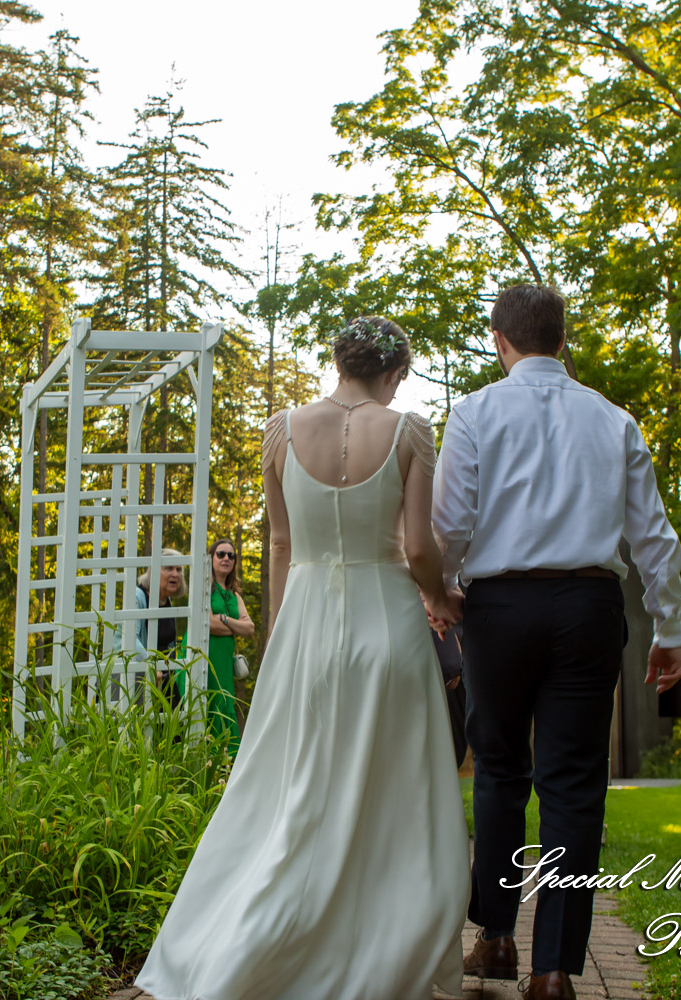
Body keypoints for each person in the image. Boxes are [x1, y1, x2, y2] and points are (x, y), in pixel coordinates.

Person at [135, 317, 468, 1000]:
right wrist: (443, 596)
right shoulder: (408, 431)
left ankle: (262, 934)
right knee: (396, 792)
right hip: (389, 622)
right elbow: (418, 546)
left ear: (338, 361)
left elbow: (281, 546)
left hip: (308, 619)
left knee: (294, 786)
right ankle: (385, 941)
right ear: (396, 372)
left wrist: (282, 630)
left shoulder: (281, 430)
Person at [432, 284, 681, 1000]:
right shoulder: (613, 419)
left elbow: (449, 525)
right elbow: (654, 539)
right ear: (563, 340)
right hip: (586, 606)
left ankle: (497, 936)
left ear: (498, 339)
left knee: (501, 772)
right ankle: (553, 972)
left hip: (499, 609)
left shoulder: (475, 412)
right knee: (574, 784)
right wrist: (669, 630)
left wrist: (443, 593)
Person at [200, 536, 254, 753]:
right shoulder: (204, 588)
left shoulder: (235, 595)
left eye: (231, 555)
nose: (226, 558)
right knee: (207, 702)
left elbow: (249, 630)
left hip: (224, 659)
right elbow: (209, 624)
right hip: (206, 654)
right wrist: (234, 626)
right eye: (220, 554)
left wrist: (224, 619)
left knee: (225, 702)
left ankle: (224, 767)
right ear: (211, 558)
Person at [136, 549, 187, 701]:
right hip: (139, 677)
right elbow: (129, 639)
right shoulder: (138, 596)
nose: (175, 574)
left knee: (178, 721)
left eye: (179, 569)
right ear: (154, 571)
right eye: (169, 568)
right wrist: (150, 668)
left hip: (165, 677)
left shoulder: (167, 601)